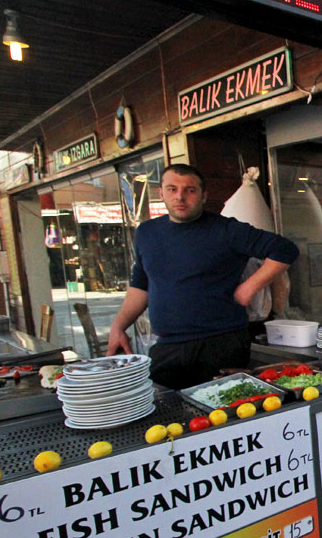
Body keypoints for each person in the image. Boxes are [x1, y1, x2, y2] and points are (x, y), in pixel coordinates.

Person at [107, 164, 300, 389]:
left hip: (221, 345)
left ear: (204, 195)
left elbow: (285, 249)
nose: (180, 197)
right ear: (161, 194)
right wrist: (118, 326)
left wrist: (248, 288)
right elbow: (141, 284)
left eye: (190, 190)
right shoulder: (147, 233)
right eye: (172, 189)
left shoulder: (226, 230)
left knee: (224, 416)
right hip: (168, 347)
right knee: (169, 415)